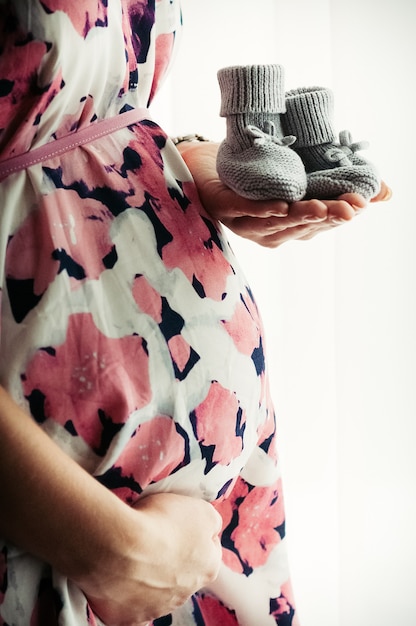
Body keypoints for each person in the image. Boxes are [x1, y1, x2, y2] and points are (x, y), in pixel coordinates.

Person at [0, 2, 391, 625]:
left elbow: (82, 114)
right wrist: (106, 548)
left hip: (216, 518)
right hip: (60, 523)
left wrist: (171, 164)